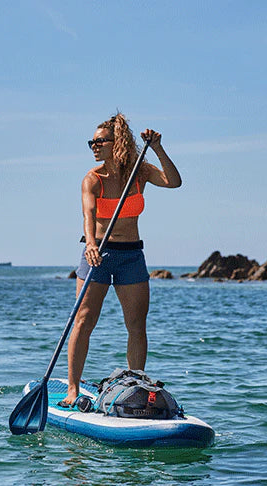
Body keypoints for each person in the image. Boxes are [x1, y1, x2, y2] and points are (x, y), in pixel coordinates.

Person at [61, 113, 182, 406]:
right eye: (92, 141)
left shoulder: (140, 173)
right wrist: (90, 243)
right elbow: (88, 215)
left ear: (118, 143)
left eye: (99, 141)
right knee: (84, 320)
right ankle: (73, 389)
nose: (93, 146)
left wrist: (157, 148)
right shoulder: (93, 179)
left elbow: (174, 182)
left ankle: (138, 384)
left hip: (131, 256)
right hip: (98, 254)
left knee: (137, 324)